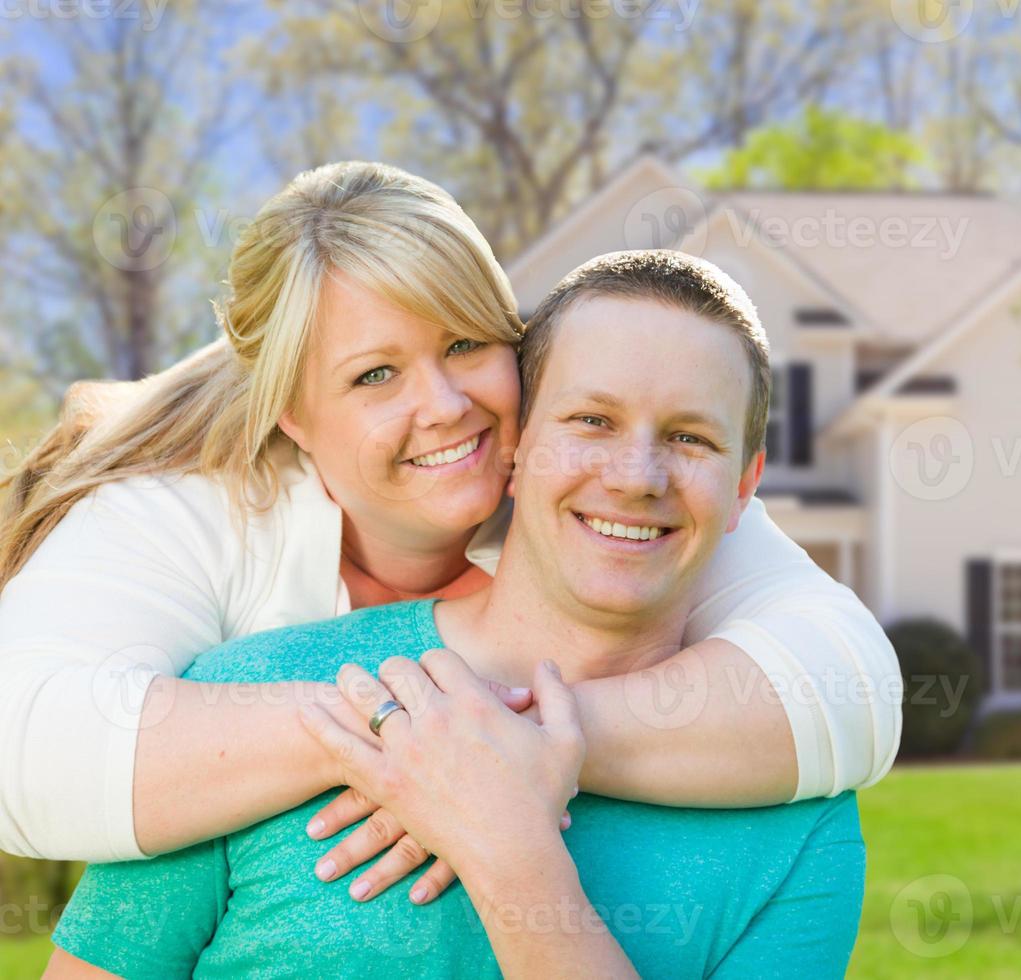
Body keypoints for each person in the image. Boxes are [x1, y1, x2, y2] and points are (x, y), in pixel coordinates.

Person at [0, 163, 899, 903]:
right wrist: (398, 734)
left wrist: (511, 744)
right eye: (376, 375)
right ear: (292, 418)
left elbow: (849, 688)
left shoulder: (598, 485)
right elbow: (24, 753)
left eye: (466, 342)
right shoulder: (192, 510)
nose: (445, 407)